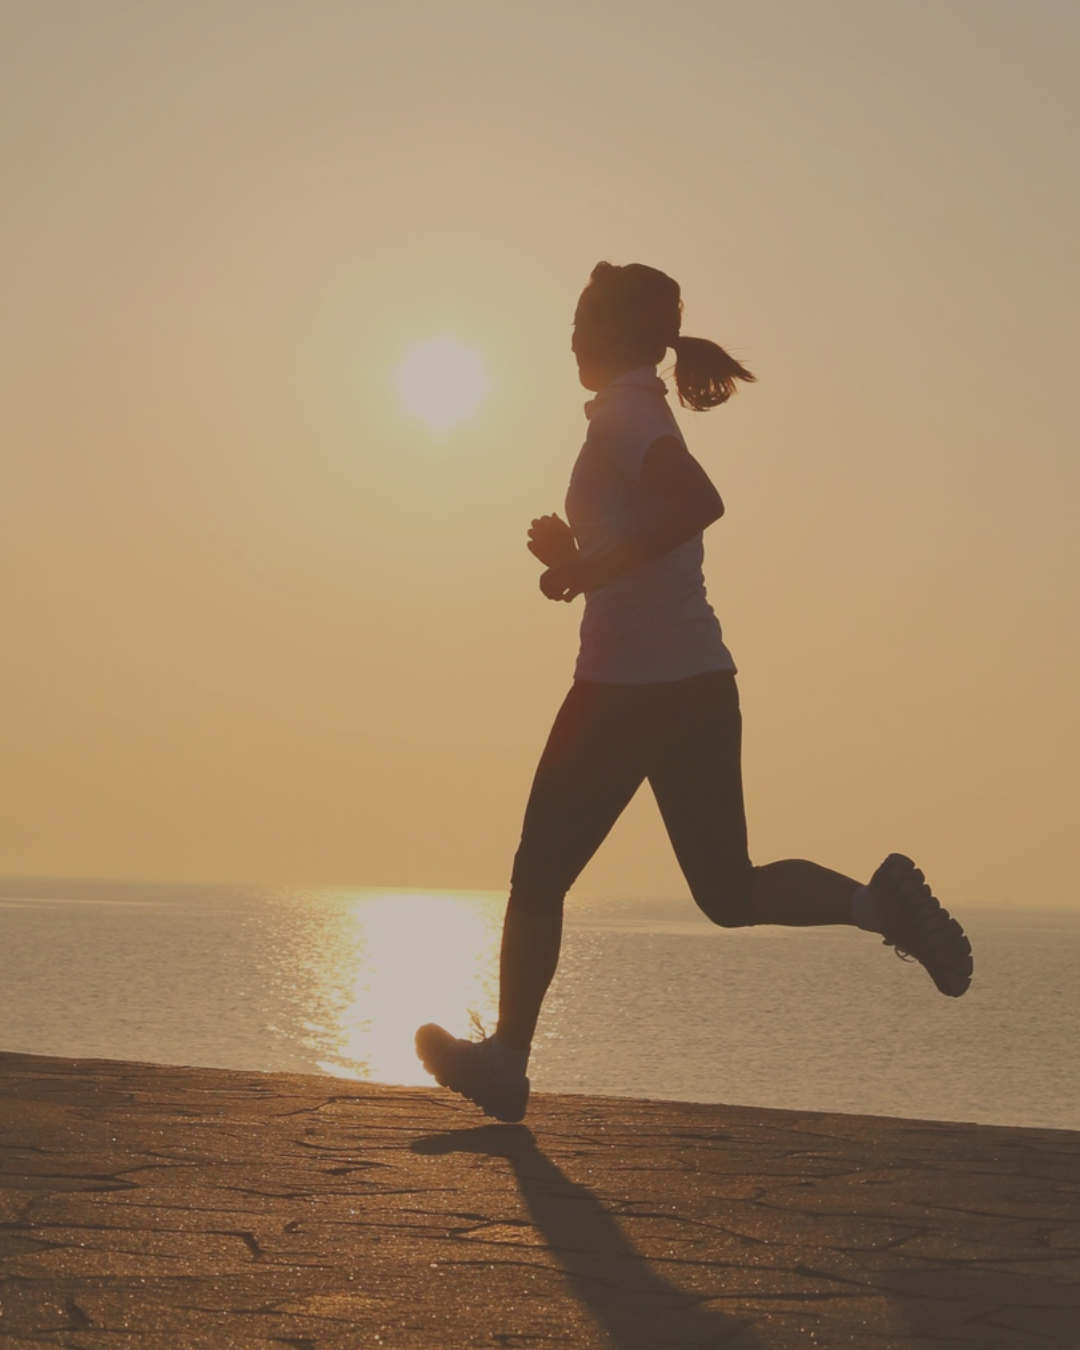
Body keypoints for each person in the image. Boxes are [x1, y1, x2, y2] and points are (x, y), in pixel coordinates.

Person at [415, 261, 973, 1123]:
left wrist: (586, 567)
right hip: (698, 683)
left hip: (624, 690)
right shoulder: (635, 411)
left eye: (578, 321)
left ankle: (508, 1064)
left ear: (610, 333)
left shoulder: (630, 414)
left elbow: (698, 502)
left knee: (538, 875)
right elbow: (654, 528)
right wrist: (577, 555)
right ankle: (879, 907)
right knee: (724, 890)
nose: (567, 337)